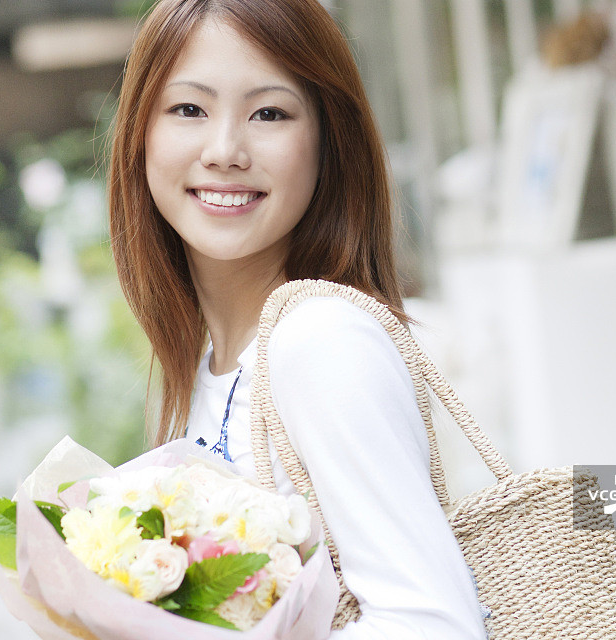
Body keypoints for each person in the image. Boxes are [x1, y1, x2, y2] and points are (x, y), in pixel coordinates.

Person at [108, 0, 487, 638]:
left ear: (328, 143)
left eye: (269, 114)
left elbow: (433, 623)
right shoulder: (210, 366)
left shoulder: (321, 342)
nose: (225, 150)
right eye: (190, 109)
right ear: (140, 133)